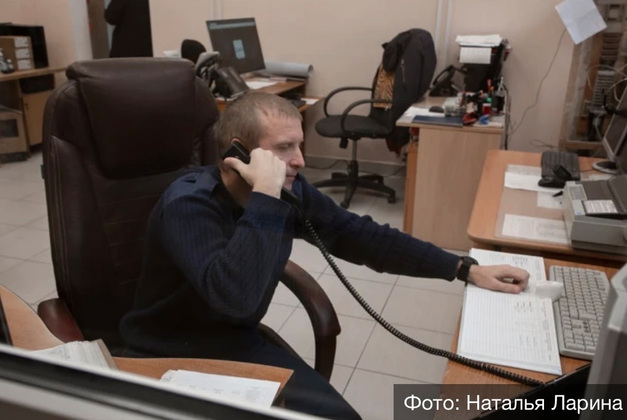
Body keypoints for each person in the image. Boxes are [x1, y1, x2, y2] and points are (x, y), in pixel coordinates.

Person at [120, 91, 529, 419]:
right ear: (240, 153)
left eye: (300, 145)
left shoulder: (286, 192)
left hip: (233, 339)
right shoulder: (189, 205)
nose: (300, 160)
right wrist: (266, 196)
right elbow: (235, 297)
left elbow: (360, 235)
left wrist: (461, 268)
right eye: (284, 148)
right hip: (166, 349)